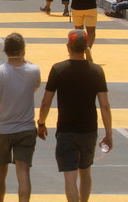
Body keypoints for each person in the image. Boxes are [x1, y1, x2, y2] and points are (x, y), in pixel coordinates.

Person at [37, 30, 113, 202]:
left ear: (67, 46)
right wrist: (109, 133)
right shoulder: (96, 71)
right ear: (86, 48)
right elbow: (105, 105)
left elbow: (45, 102)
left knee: (70, 175)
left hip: (66, 130)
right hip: (89, 130)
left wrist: (41, 123)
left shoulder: (58, 69)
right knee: (85, 171)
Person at [0, 33, 41, 202]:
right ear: (23, 50)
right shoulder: (34, 71)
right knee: (23, 172)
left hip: (1, 129)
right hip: (25, 128)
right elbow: (35, 88)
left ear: (5, 50)